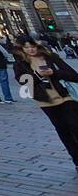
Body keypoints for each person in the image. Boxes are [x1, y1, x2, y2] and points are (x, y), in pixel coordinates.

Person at [13, 40, 78, 170]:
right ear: (22, 49)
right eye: (27, 47)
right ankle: (76, 159)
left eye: (33, 46)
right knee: (63, 130)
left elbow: (74, 75)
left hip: (65, 96)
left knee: (75, 126)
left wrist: (54, 73)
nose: (31, 50)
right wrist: (37, 74)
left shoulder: (51, 57)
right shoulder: (20, 64)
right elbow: (23, 82)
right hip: (45, 101)